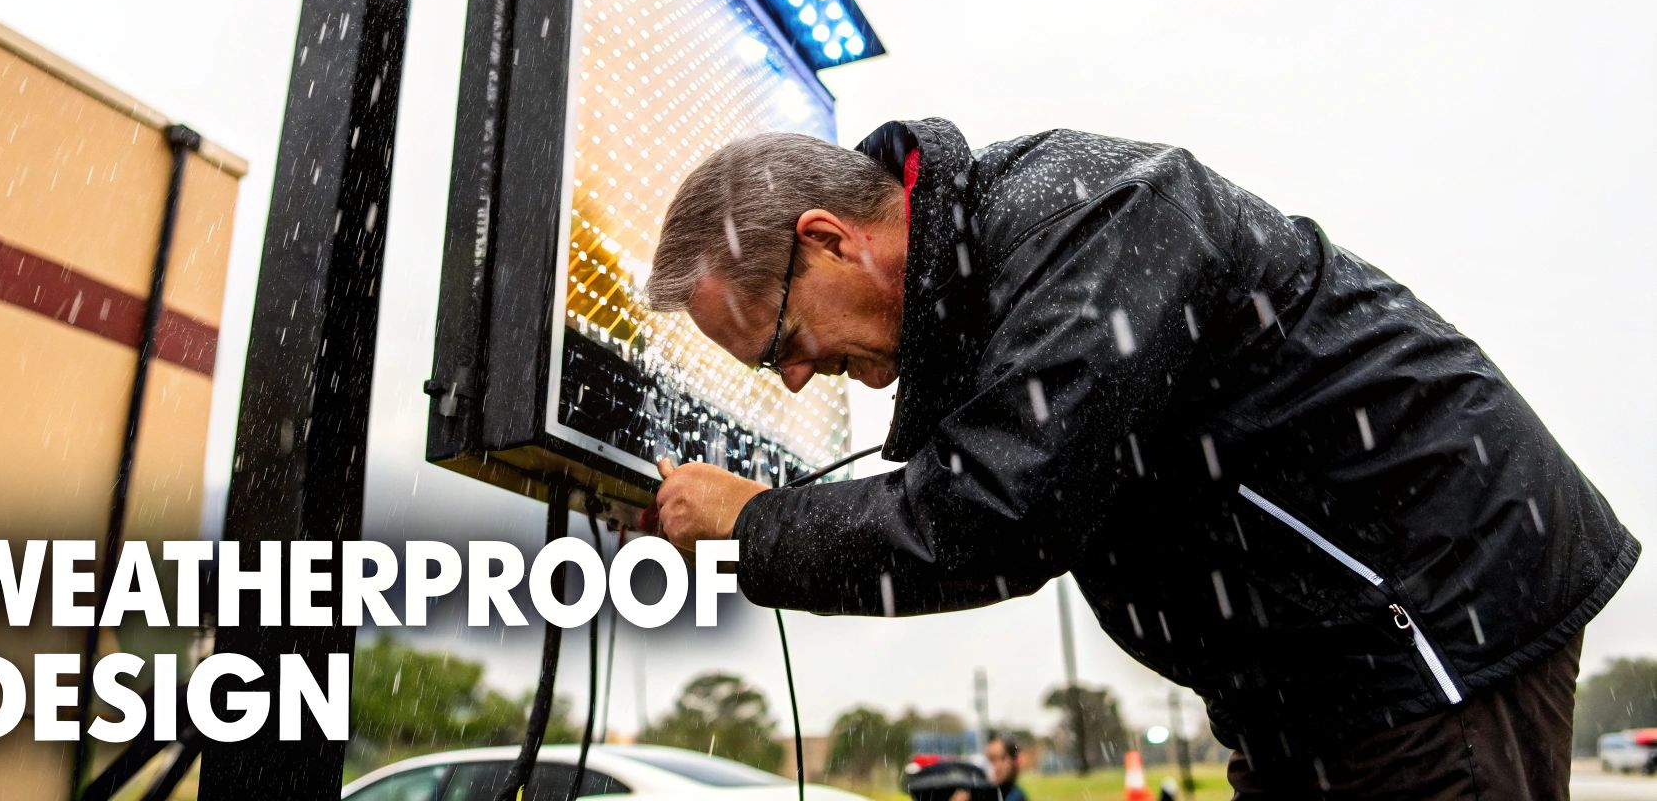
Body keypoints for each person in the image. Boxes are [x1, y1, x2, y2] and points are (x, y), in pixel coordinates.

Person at [645, 120, 1640, 798]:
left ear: (826, 241)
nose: (792, 376)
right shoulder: (999, 280)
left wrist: (752, 524)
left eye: (778, 340)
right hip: (1316, 685)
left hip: (1424, 625)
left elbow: (994, 511)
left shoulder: (1092, 219)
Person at [985, 734, 1027, 801]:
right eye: (987, 759)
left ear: (1012, 761)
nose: (990, 765)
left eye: (996, 758)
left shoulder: (1016, 796)